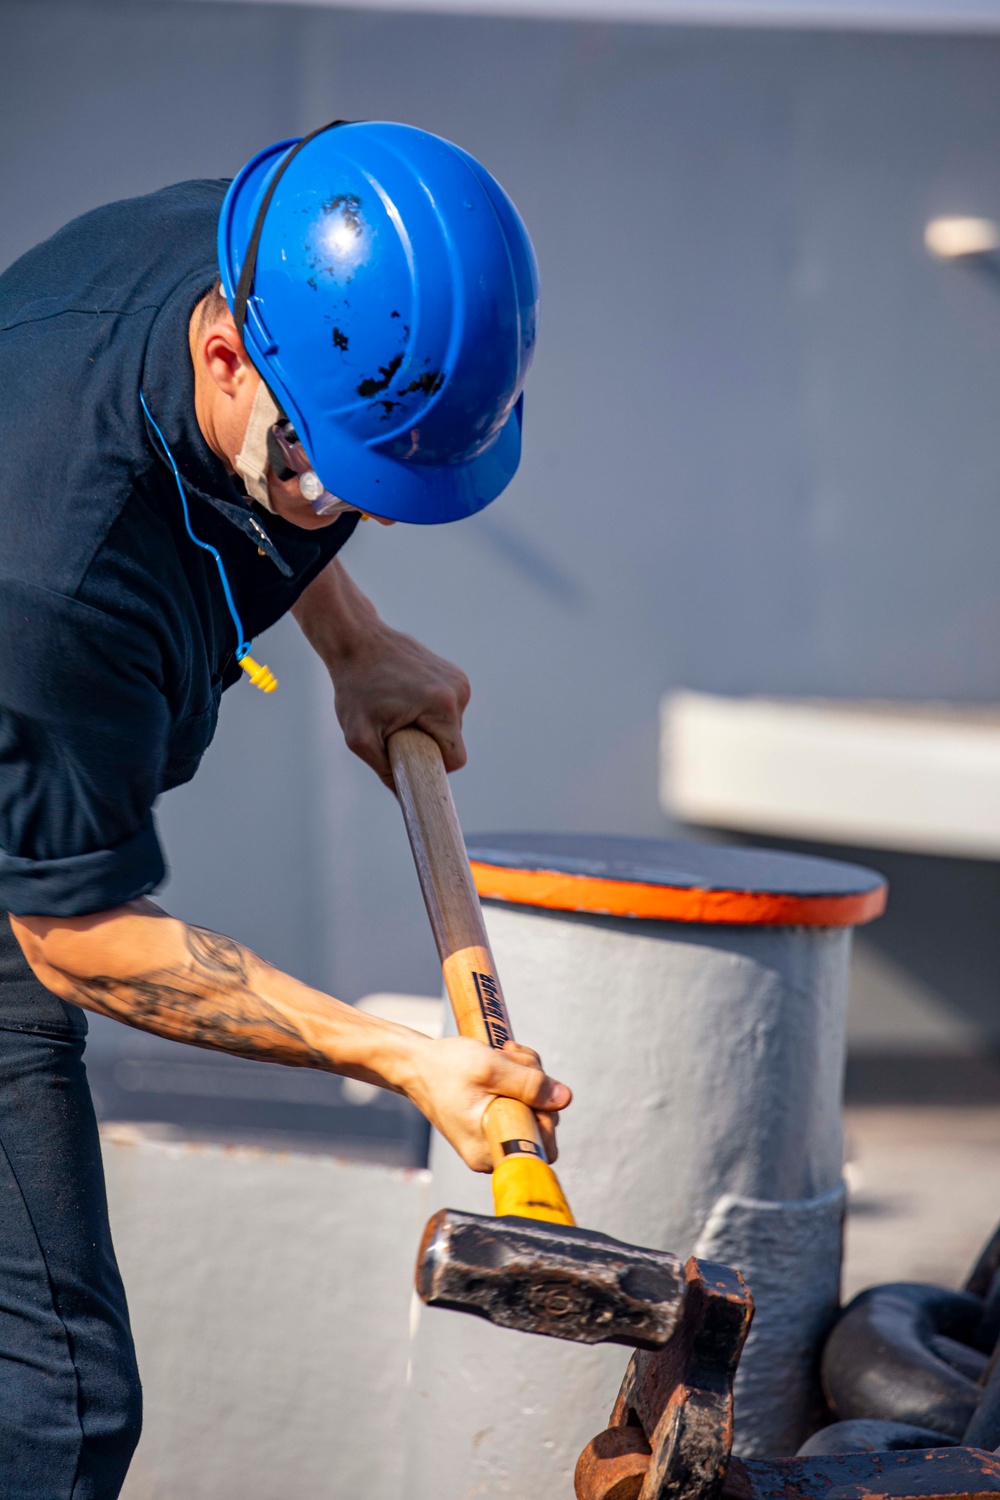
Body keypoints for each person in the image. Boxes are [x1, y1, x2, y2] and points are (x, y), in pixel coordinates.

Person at [0, 120, 571, 1498]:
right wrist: (403, 1058)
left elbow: (290, 481)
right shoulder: (57, 583)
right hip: (27, 833)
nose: (342, 506)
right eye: (335, 475)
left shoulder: (292, 258)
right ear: (223, 354)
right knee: (54, 1412)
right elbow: (74, 937)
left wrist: (352, 640)